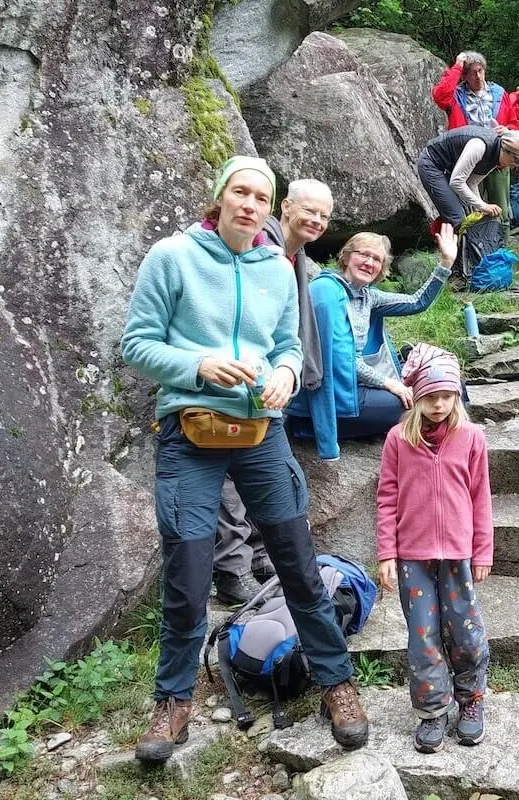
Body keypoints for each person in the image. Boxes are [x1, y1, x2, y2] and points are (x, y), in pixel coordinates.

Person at [121, 156, 368, 764]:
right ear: (220, 196)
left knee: (297, 560)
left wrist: (285, 372)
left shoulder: (277, 270)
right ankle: (173, 700)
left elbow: (287, 344)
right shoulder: (172, 257)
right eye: (241, 192)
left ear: (269, 207)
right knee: (187, 571)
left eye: (262, 195)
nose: (251, 204)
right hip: (190, 432)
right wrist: (196, 366)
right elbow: (136, 343)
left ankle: (336, 684)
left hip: (261, 432)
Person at [213, 178, 334, 607]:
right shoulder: (257, 243)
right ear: (285, 207)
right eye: (310, 211)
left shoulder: (294, 255)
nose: (317, 220)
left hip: (270, 383)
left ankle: (263, 557)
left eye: (324, 215)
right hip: (227, 381)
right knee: (230, 477)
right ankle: (232, 569)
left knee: (272, 476)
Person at [375, 344, 493, 754]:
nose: (439, 404)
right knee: (423, 636)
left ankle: (472, 700)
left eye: (447, 396)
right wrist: (387, 553)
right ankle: (432, 709)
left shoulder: (472, 437)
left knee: (465, 629)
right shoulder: (397, 440)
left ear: (457, 395)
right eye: (430, 396)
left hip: (459, 555)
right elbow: (386, 499)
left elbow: (481, 497)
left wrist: (482, 551)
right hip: (413, 558)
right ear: (416, 397)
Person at [286, 226, 458, 459]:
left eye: (376, 259)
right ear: (346, 257)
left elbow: (418, 302)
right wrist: (389, 383)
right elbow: (339, 361)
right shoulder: (326, 291)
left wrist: (446, 262)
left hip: (355, 387)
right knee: (423, 404)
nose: (369, 262)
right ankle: (439, 449)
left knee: (448, 387)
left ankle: (451, 444)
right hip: (333, 397)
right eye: (363, 254)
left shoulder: (368, 295)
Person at [431, 51, 519, 231]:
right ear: (465, 76)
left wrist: (507, 130)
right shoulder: (457, 95)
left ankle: (501, 249)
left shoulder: (499, 93)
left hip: (499, 159)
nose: (478, 76)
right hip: (468, 159)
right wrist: (457, 66)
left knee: (501, 209)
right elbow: (439, 95)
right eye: (472, 72)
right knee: (472, 209)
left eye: (480, 70)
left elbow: (516, 125)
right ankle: (475, 249)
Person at [416, 125, 519, 230]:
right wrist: (483, 206)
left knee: (469, 213)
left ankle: (467, 250)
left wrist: (480, 209)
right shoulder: (479, 146)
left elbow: (472, 183)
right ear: (506, 149)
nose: (510, 167)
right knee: (458, 218)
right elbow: (457, 182)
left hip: (449, 169)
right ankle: (457, 252)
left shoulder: (496, 156)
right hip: (432, 164)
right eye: (511, 163)